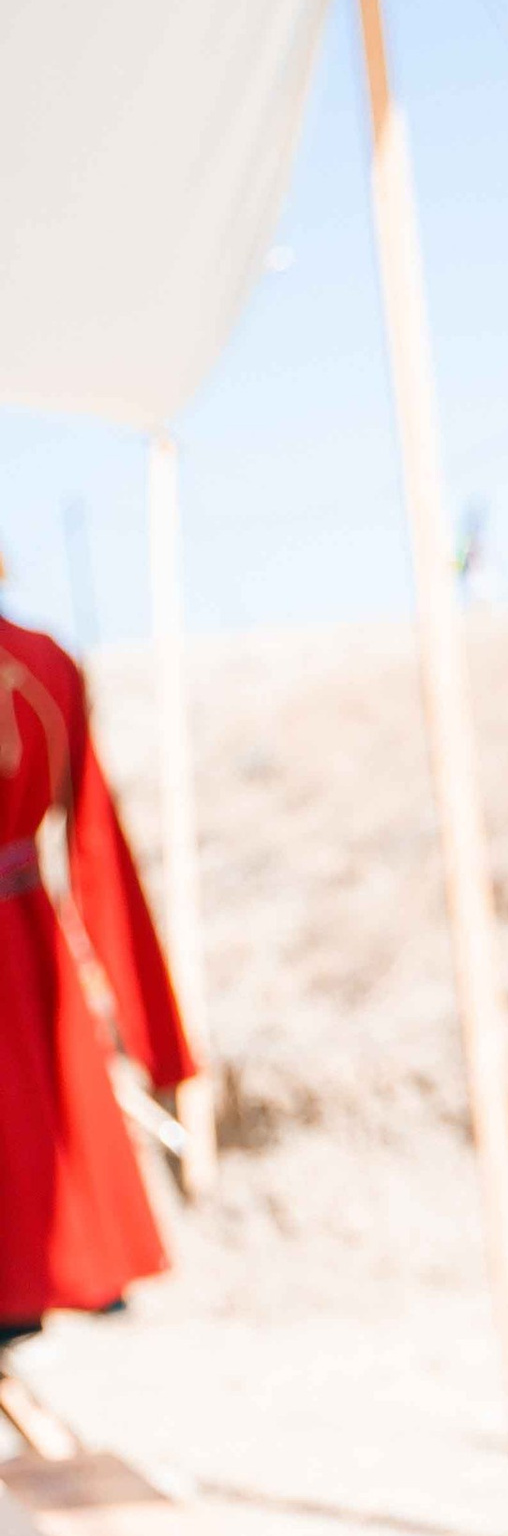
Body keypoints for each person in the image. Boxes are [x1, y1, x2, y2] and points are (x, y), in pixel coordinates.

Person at [0, 555, 196, 1340]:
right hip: (25, 934)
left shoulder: (49, 669)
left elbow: (95, 849)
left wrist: (157, 1038)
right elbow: (97, 852)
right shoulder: (49, 665)